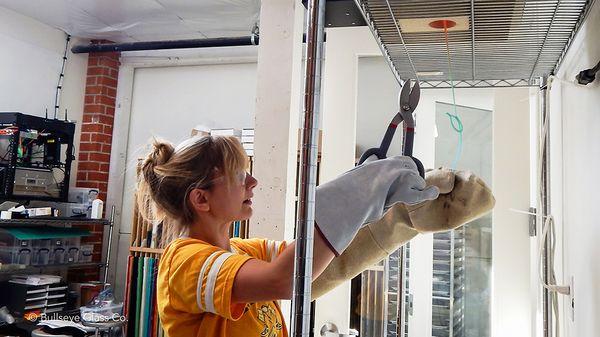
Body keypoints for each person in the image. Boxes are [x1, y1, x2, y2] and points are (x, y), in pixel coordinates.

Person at [137, 135, 441, 337]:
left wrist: (399, 217)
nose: (253, 182)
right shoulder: (183, 262)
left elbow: (316, 260)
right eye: (239, 176)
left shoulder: (241, 251)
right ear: (201, 200)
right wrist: (360, 190)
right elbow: (284, 279)